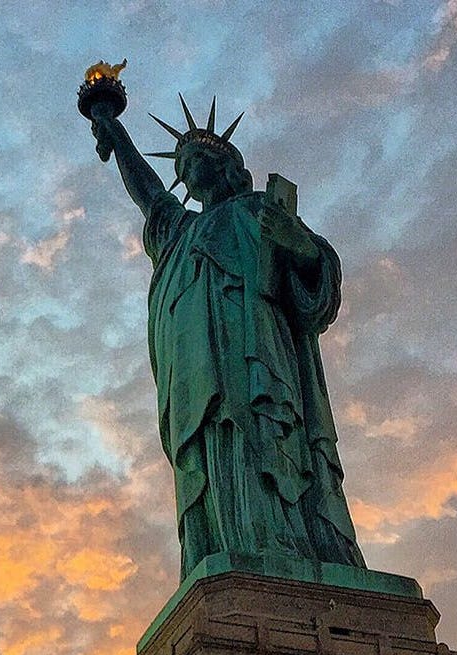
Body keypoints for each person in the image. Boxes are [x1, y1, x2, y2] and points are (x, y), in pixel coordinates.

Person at [89, 96, 365, 578]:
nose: (189, 168)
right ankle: (220, 551)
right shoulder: (178, 232)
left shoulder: (257, 211)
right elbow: (149, 194)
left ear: (227, 165)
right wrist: (115, 134)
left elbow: (316, 283)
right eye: (183, 163)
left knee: (258, 440)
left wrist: (295, 242)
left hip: (255, 360)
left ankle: (282, 545)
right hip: (194, 378)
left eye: (198, 158)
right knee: (211, 457)